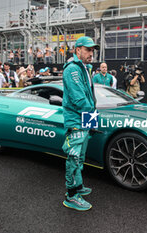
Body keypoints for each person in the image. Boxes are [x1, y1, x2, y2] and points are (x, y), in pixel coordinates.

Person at [61, 36, 98, 211]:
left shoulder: (85, 68)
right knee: (74, 157)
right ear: (78, 50)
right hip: (76, 119)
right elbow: (79, 99)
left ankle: (79, 185)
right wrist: (93, 116)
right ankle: (71, 195)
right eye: (88, 49)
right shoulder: (72, 69)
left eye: (92, 50)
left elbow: (89, 97)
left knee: (80, 156)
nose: (91, 53)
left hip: (84, 117)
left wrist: (92, 121)